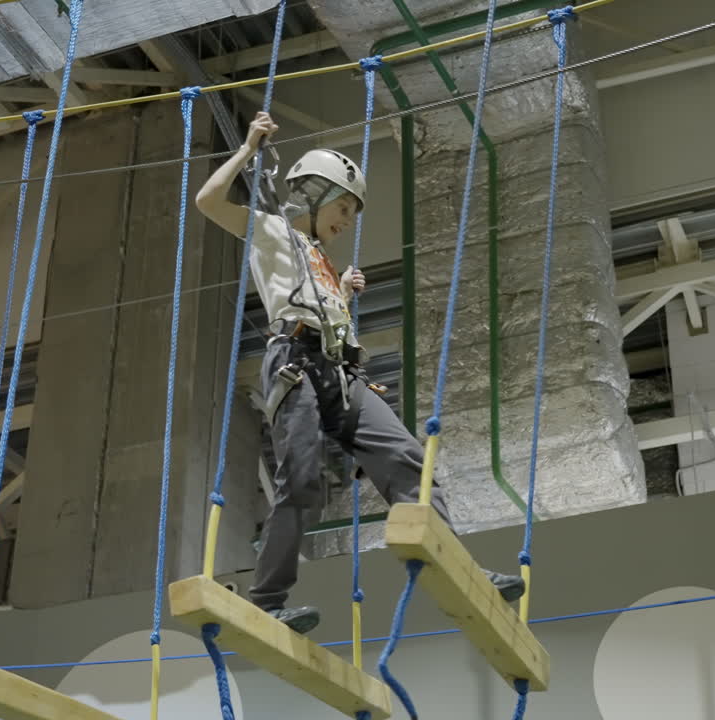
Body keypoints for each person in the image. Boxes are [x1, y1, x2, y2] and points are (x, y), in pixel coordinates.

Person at [195, 111, 525, 634]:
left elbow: (324, 313)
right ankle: (267, 598)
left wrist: (344, 293)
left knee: (407, 460)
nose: (347, 220)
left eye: (350, 212)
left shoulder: (319, 257)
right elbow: (207, 203)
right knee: (301, 483)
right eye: (343, 207)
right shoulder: (271, 229)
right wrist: (248, 150)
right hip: (295, 365)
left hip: (339, 373)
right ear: (311, 193)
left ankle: (457, 565)